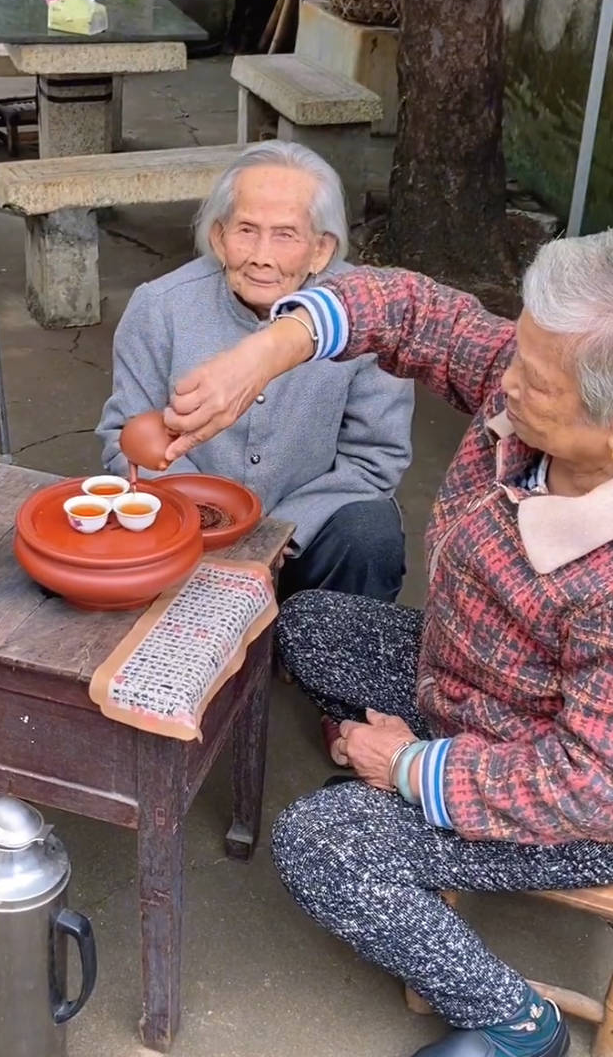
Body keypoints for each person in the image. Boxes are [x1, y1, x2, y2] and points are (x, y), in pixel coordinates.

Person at [160, 232, 613, 1057]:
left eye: (537, 382)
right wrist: (264, 355)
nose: (507, 382)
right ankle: (400, 783)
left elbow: (588, 784)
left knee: (320, 845)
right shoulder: (527, 390)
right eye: (517, 355)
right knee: (308, 624)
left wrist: (410, 769)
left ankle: (517, 1024)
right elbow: (413, 311)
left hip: (573, 805)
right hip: (477, 689)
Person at [97, 140, 413, 603]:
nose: (262, 255)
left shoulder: (367, 318)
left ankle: (319, 645)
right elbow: (126, 433)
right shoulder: (160, 307)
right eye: (247, 230)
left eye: (285, 235)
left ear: (321, 250)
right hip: (187, 528)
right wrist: (205, 517)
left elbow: (374, 460)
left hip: (312, 532)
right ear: (219, 237)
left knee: (370, 534)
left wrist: (282, 531)